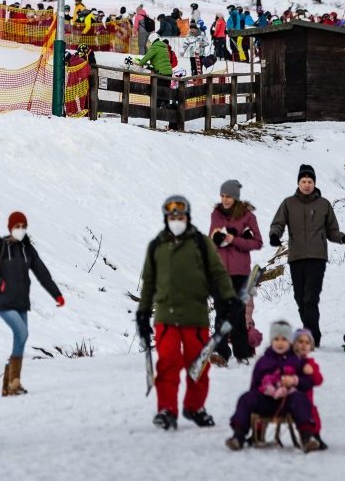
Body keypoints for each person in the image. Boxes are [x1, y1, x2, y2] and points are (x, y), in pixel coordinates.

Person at [137, 196, 247, 431]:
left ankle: (194, 407)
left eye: (181, 216)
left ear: (187, 217)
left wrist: (229, 299)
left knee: (198, 365)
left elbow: (218, 273)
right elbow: (148, 282)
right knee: (167, 363)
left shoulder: (200, 243)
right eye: (172, 217)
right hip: (166, 318)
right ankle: (167, 410)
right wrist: (142, 313)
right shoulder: (157, 246)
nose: (177, 220)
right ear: (166, 219)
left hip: (195, 316)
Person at [0, 212, 64, 396]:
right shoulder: (0, 246)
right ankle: (14, 383)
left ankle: (8, 383)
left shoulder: (28, 250)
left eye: (23, 226)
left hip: (21, 302)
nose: (20, 230)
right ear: (10, 227)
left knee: (22, 338)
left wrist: (56, 295)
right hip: (3, 302)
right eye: (17, 226)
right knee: (21, 332)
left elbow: (42, 273)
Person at [266, 165, 345, 348]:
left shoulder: (324, 205)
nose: (306, 185)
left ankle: (312, 336)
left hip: (316, 257)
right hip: (296, 257)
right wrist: (275, 235)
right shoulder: (289, 203)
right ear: (298, 183)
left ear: (314, 183)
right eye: (303, 181)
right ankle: (309, 330)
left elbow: (332, 231)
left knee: (310, 297)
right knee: (299, 298)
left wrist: (342, 238)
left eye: (310, 181)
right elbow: (278, 223)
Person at [224, 320, 320, 452]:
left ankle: (307, 437)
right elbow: (255, 385)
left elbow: (307, 382)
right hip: (266, 401)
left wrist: (295, 380)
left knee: (301, 399)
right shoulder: (264, 361)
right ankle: (238, 436)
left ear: (290, 342)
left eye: (284, 339)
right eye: (276, 339)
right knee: (245, 398)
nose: (280, 343)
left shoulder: (297, 360)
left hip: (288, 403)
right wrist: (264, 389)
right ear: (271, 340)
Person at [208, 180, 263, 364]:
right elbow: (211, 240)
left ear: (236, 198)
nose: (224, 199)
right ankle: (221, 353)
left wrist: (235, 240)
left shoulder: (247, 217)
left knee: (238, 315)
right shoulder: (216, 214)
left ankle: (242, 353)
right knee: (221, 312)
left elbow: (257, 242)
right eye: (222, 196)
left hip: (240, 272)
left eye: (228, 196)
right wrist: (216, 239)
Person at [292, 329, 325, 449]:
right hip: (288, 401)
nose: (304, 345)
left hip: (306, 402)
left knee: (313, 413)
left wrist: (312, 372)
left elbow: (319, 380)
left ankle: (316, 436)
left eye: (307, 342)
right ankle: (307, 438)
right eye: (300, 341)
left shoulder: (310, 363)